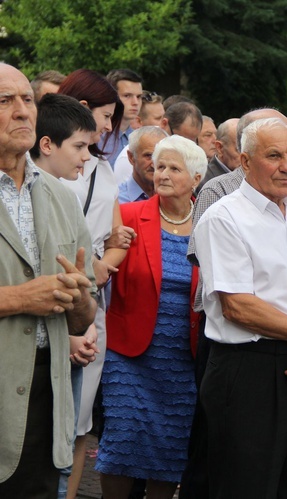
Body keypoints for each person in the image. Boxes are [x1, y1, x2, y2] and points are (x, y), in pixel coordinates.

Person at [194, 117, 287, 498]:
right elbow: (238, 306)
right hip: (248, 369)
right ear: (244, 161)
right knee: (247, 484)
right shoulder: (224, 217)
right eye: (274, 156)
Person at [180, 108, 287, 499]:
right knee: (219, 440)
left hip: (284, 336)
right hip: (232, 337)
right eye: (273, 151)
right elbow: (205, 264)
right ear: (247, 150)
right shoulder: (219, 193)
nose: (284, 164)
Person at [0, 63, 97, 498]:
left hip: (47, 394)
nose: (23, 111)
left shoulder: (61, 196)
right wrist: (19, 298)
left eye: (27, 100)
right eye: (5, 101)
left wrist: (78, 301)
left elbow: (82, 317)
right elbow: (25, 299)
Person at [96, 134, 205, 498]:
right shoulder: (128, 216)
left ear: (196, 178)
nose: (162, 174)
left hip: (182, 360)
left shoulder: (209, 225)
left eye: (174, 168)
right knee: (122, 442)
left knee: (169, 450)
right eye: (159, 166)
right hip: (128, 353)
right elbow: (97, 264)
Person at [56, 68, 133, 499]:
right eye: (106, 116)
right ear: (83, 109)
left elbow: (119, 234)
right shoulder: (44, 163)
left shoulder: (103, 168)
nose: (109, 128)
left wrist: (105, 263)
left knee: (82, 418)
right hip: (59, 294)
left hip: (92, 304)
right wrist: (94, 264)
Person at [30, 93, 97, 181]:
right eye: (79, 146)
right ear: (47, 145)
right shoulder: (22, 192)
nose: (87, 157)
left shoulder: (66, 193)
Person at [101, 69, 144, 164]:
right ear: (111, 96)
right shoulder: (96, 137)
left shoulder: (139, 140)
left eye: (139, 97)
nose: (135, 102)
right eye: (127, 96)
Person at [117, 126, 169, 203]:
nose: (154, 164)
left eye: (160, 157)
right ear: (131, 157)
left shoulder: (173, 197)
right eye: (149, 155)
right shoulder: (116, 201)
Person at [196, 118, 240, 192]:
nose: (214, 139)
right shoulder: (205, 184)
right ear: (219, 147)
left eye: (216, 134)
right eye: (208, 135)